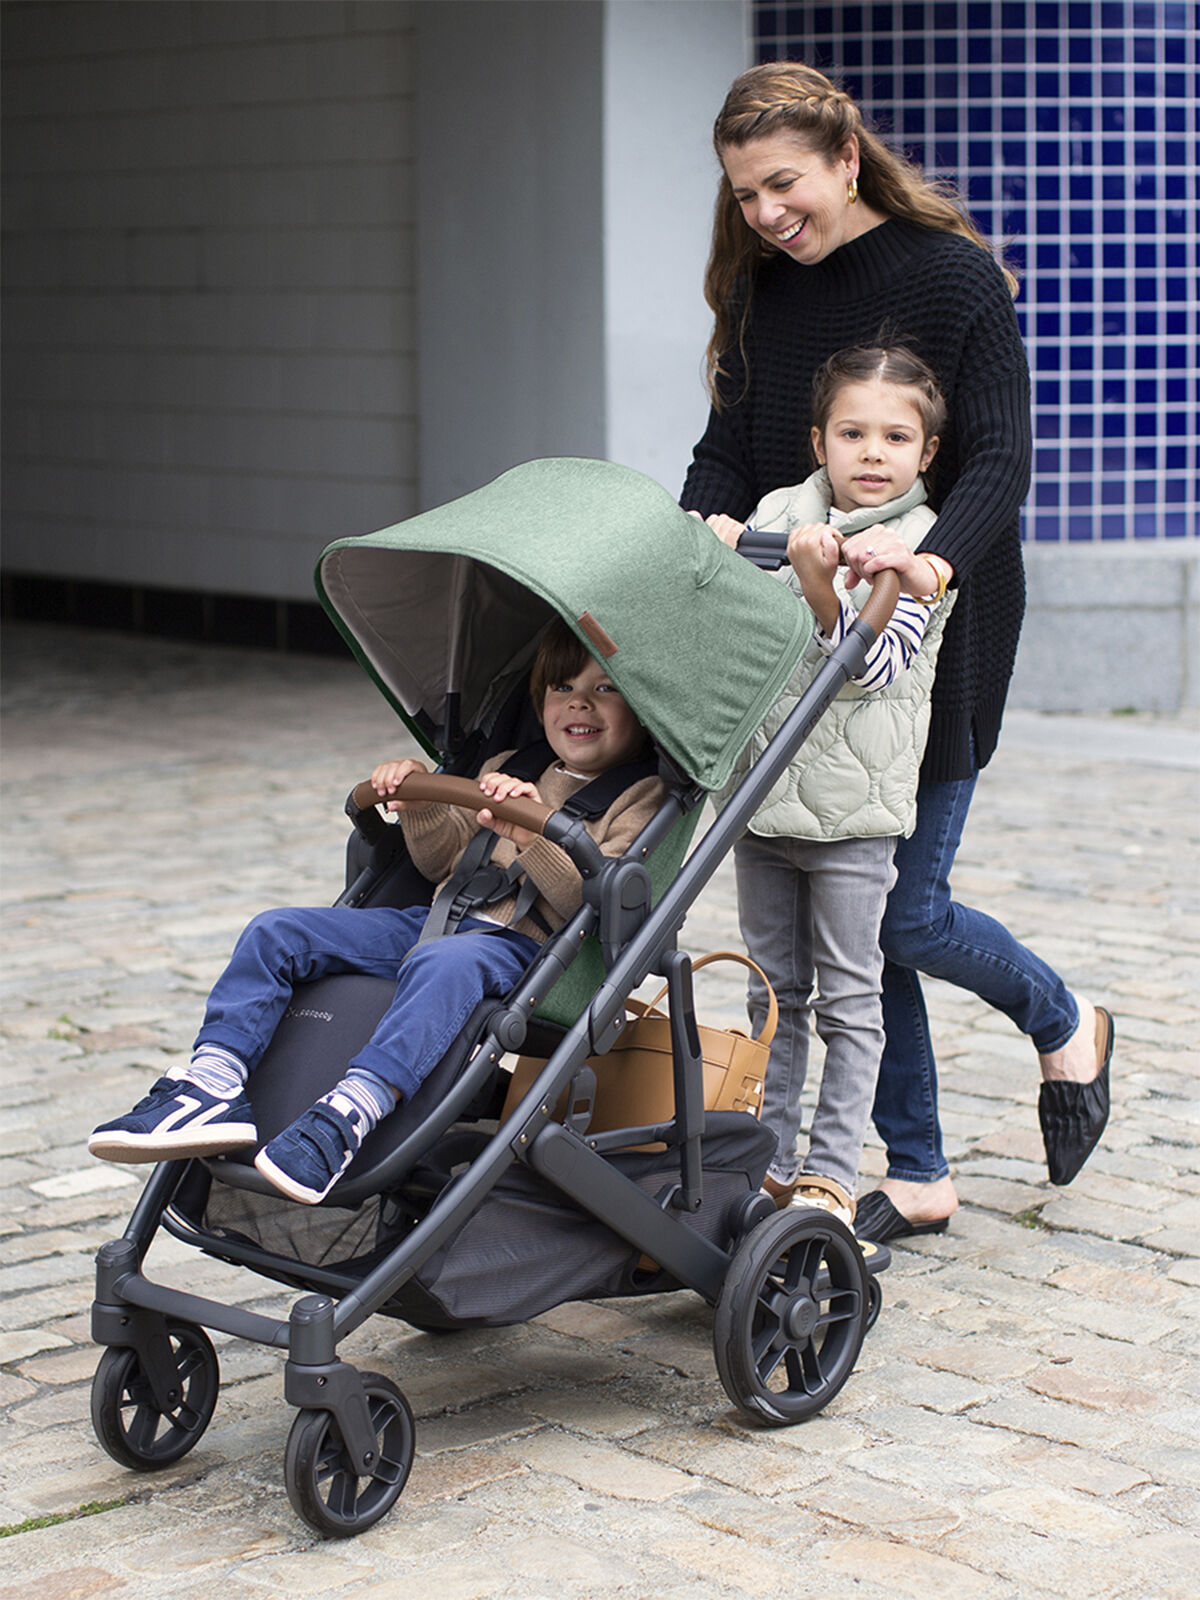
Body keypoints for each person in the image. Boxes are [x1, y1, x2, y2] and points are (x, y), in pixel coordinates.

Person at [683, 61, 1113, 1241]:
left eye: (783, 183)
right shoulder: (762, 292)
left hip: (942, 626)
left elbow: (1000, 461)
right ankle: (918, 1171)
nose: (765, 212)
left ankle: (1064, 1018)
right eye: (745, 194)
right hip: (804, 630)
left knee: (905, 912)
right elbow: (729, 450)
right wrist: (701, 524)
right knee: (858, 897)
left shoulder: (953, 277)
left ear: (845, 159)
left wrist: (931, 563)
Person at [89, 619, 666, 1205]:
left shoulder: (640, 795)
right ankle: (212, 1084)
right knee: (275, 931)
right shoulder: (510, 762)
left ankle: (349, 1113)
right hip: (435, 920)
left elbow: (594, 900)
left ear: (642, 711)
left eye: (604, 689)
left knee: (447, 963)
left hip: (526, 951)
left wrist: (534, 834)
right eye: (562, 687)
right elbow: (442, 862)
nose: (580, 703)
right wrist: (418, 803)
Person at [709, 343, 953, 1225]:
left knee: (851, 999)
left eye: (896, 437)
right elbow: (736, 633)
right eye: (853, 433)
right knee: (772, 994)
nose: (873, 453)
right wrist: (721, 557)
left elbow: (873, 668)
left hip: (855, 818)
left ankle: (831, 1175)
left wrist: (822, 593)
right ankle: (766, 1161)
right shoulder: (778, 515)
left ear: (927, 452)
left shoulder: (919, 548)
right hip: (763, 803)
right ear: (820, 441)